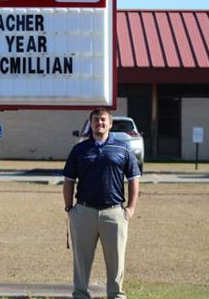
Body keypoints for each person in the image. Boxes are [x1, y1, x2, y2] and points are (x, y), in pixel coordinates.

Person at [62, 108, 141, 299]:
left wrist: (130, 209)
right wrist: (70, 208)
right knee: (81, 262)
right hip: (83, 211)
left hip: (113, 213)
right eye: (96, 120)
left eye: (104, 120)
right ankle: (80, 295)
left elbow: (133, 179)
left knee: (116, 262)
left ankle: (116, 296)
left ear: (110, 124)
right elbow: (68, 180)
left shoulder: (122, 148)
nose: (100, 123)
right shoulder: (79, 149)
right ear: (91, 123)